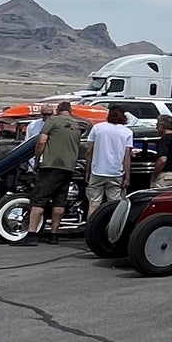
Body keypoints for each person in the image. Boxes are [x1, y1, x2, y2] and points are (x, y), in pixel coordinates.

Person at [25, 100, 83, 243]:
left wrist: (37, 159)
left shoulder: (52, 121)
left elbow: (42, 141)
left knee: (39, 198)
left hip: (51, 165)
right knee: (59, 201)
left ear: (57, 110)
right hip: (68, 167)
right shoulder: (76, 125)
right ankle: (54, 234)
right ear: (70, 111)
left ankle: (31, 234)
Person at [83, 105, 134, 217]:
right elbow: (126, 156)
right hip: (116, 172)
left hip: (97, 171)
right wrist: (127, 177)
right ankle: (109, 229)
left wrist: (87, 170)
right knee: (114, 204)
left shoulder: (97, 128)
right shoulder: (127, 132)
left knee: (94, 203)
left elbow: (89, 151)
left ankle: (91, 227)